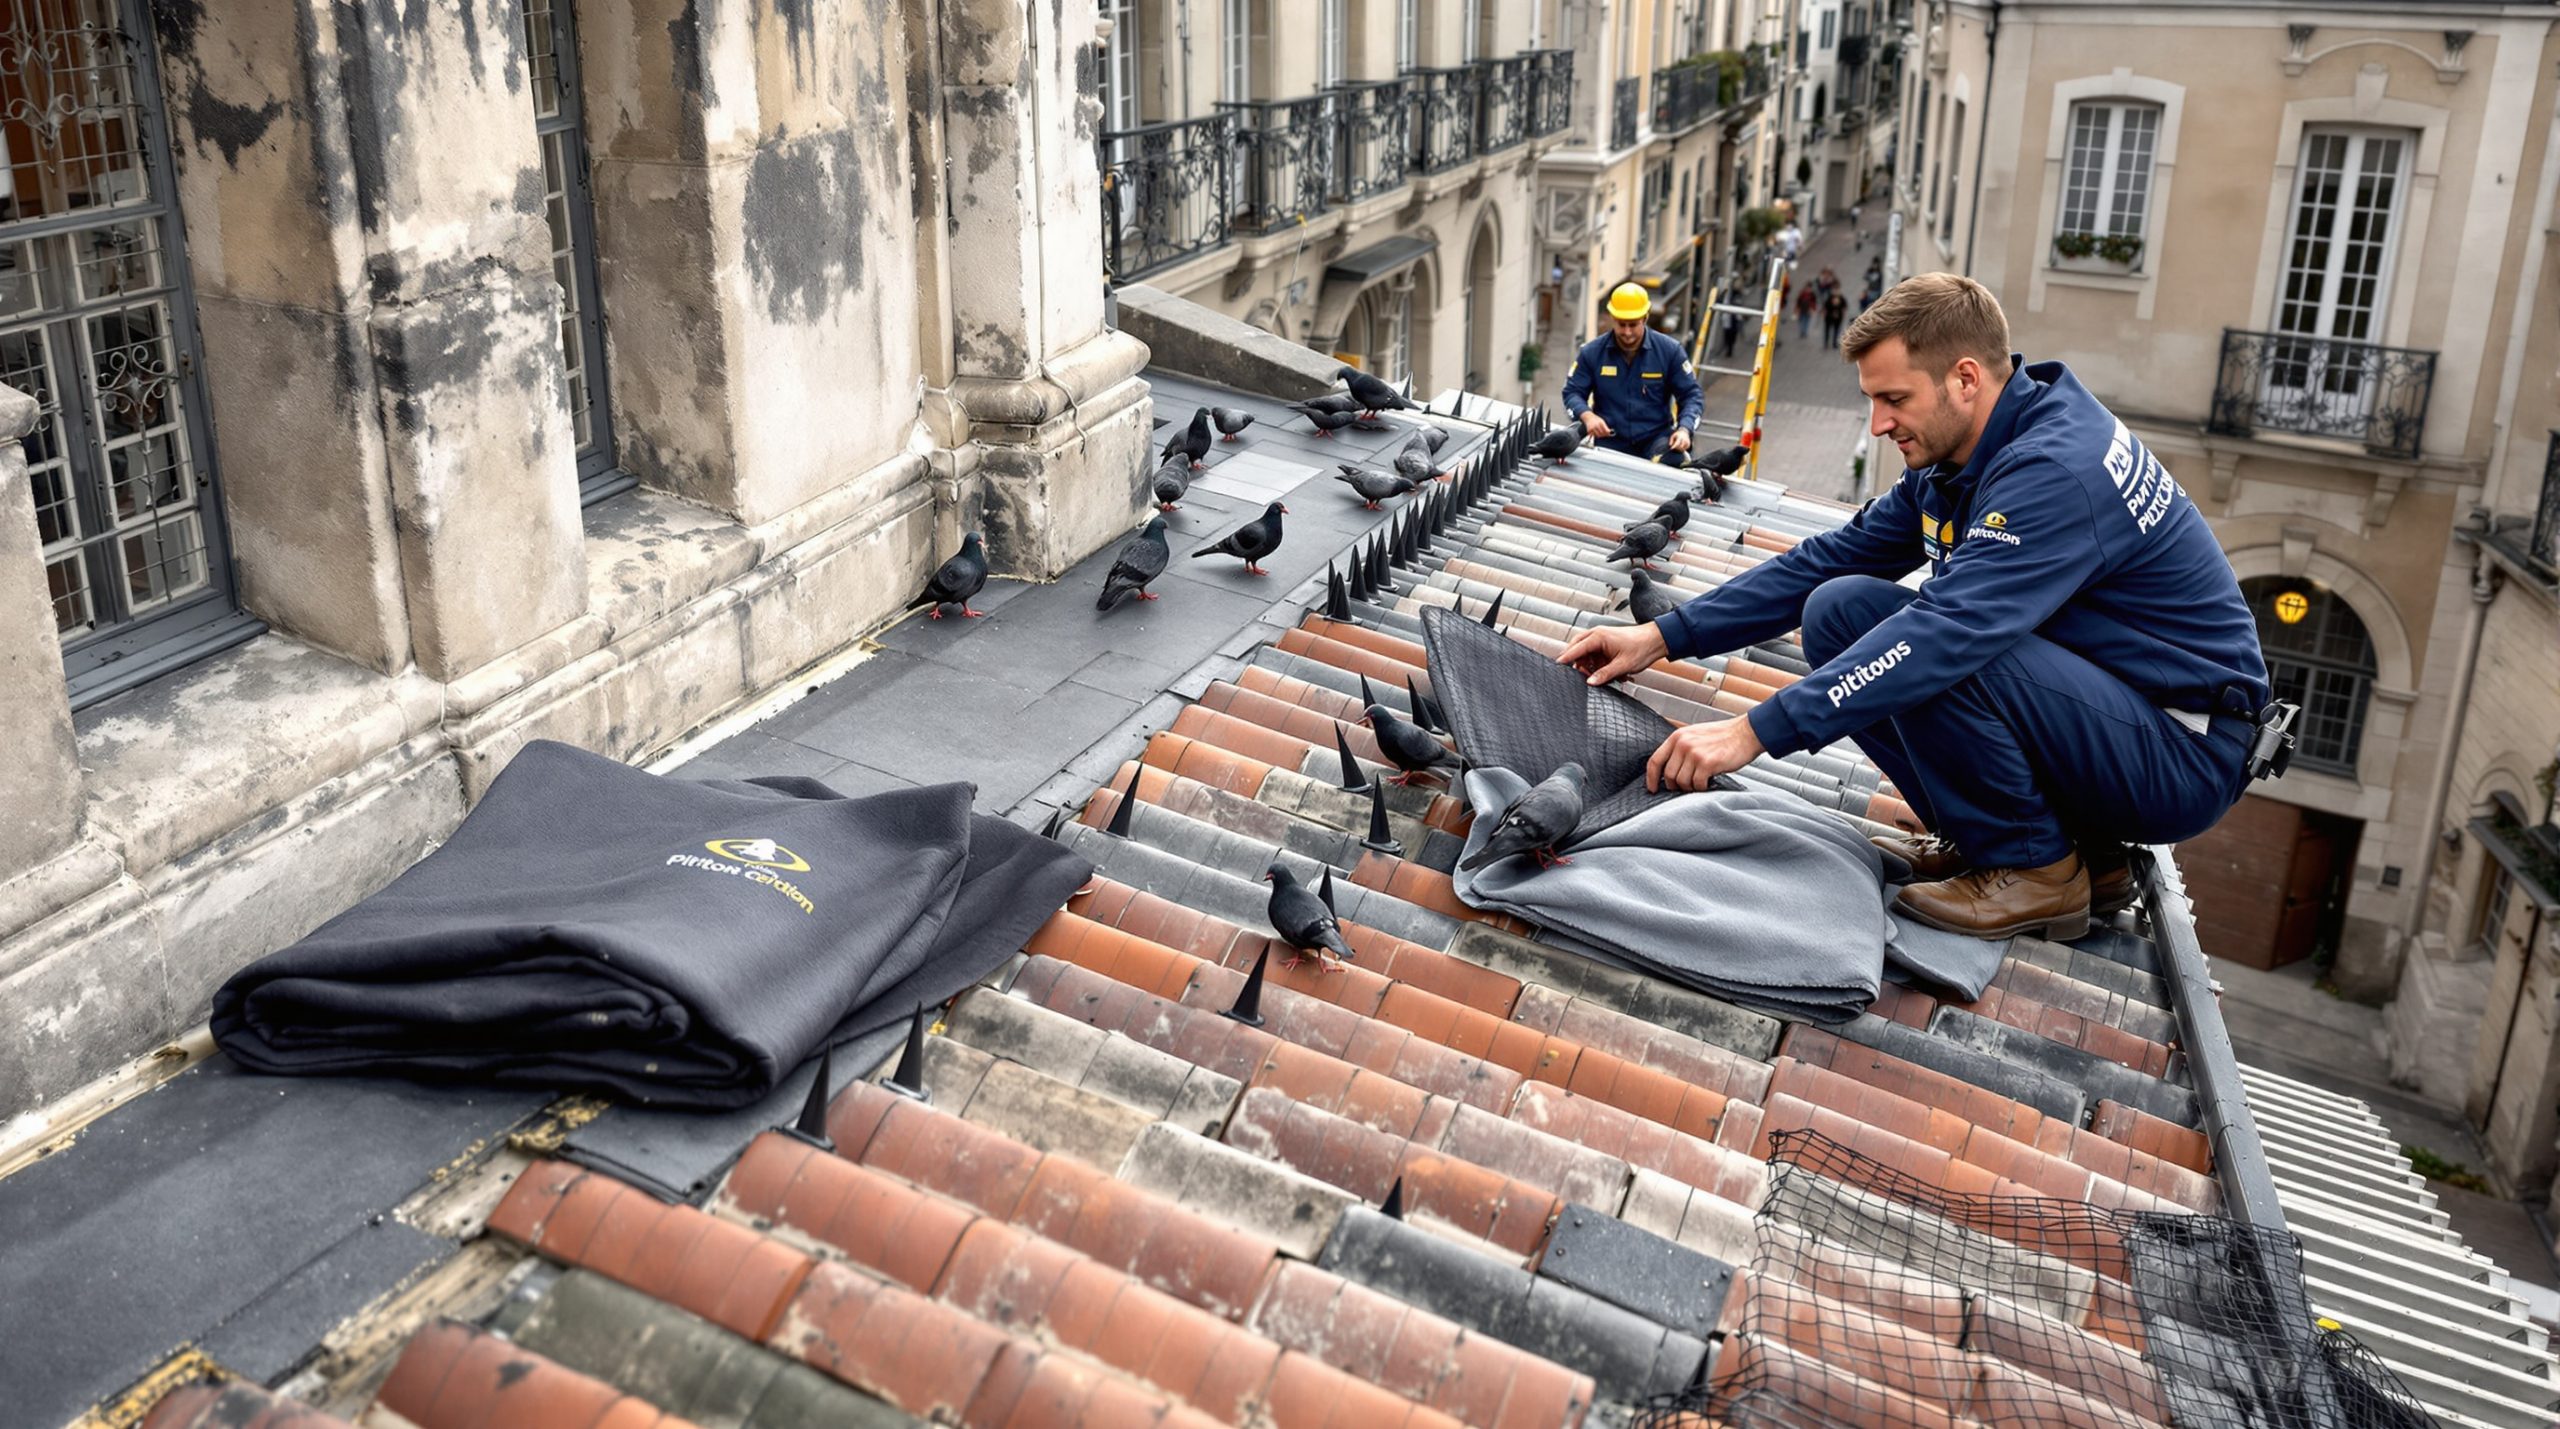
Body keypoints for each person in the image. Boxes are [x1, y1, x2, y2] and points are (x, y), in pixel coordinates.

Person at [1557, 274, 2272, 941]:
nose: (1876, 424)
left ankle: (2036, 866)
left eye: (1894, 399)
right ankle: (2062, 850)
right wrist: (1662, 635)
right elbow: (1830, 559)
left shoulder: (2053, 470)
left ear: (1965, 378)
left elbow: (1946, 633)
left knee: (1942, 641)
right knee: (1842, 609)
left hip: (2181, 750)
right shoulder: (1970, 452)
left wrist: (1752, 730)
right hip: (2114, 720)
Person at [1560, 283, 1707, 462]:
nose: (1627, 332)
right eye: (1622, 325)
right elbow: (1572, 392)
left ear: (1645, 318)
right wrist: (1587, 416)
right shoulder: (1591, 353)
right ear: (1613, 319)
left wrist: (1684, 429)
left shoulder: (1670, 352)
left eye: (1633, 325)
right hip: (1610, 443)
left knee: (1673, 462)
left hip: (1656, 441)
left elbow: (1692, 396)